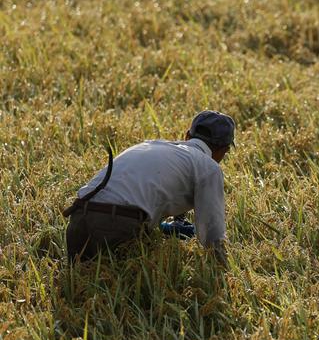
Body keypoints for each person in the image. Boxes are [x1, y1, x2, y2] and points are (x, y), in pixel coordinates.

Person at [64, 110, 235, 266]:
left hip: (78, 217)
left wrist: (164, 227)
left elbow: (136, 192)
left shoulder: (150, 145)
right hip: (117, 224)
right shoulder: (209, 167)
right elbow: (213, 234)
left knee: (81, 276)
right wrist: (224, 268)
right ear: (224, 149)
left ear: (187, 135)